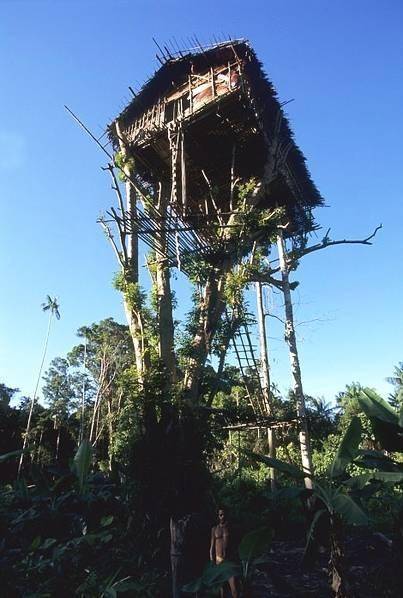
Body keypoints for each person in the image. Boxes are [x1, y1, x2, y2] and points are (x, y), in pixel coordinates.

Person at [210, 508, 238, 598]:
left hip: (229, 561)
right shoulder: (214, 529)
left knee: (234, 589)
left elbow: (235, 544)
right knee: (222, 589)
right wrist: (212, 560)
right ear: (218, 516)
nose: (222, 517)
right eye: (220, 515)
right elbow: (211, 547)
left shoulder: (230, 528)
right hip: (219, 561)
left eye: (224, 514)